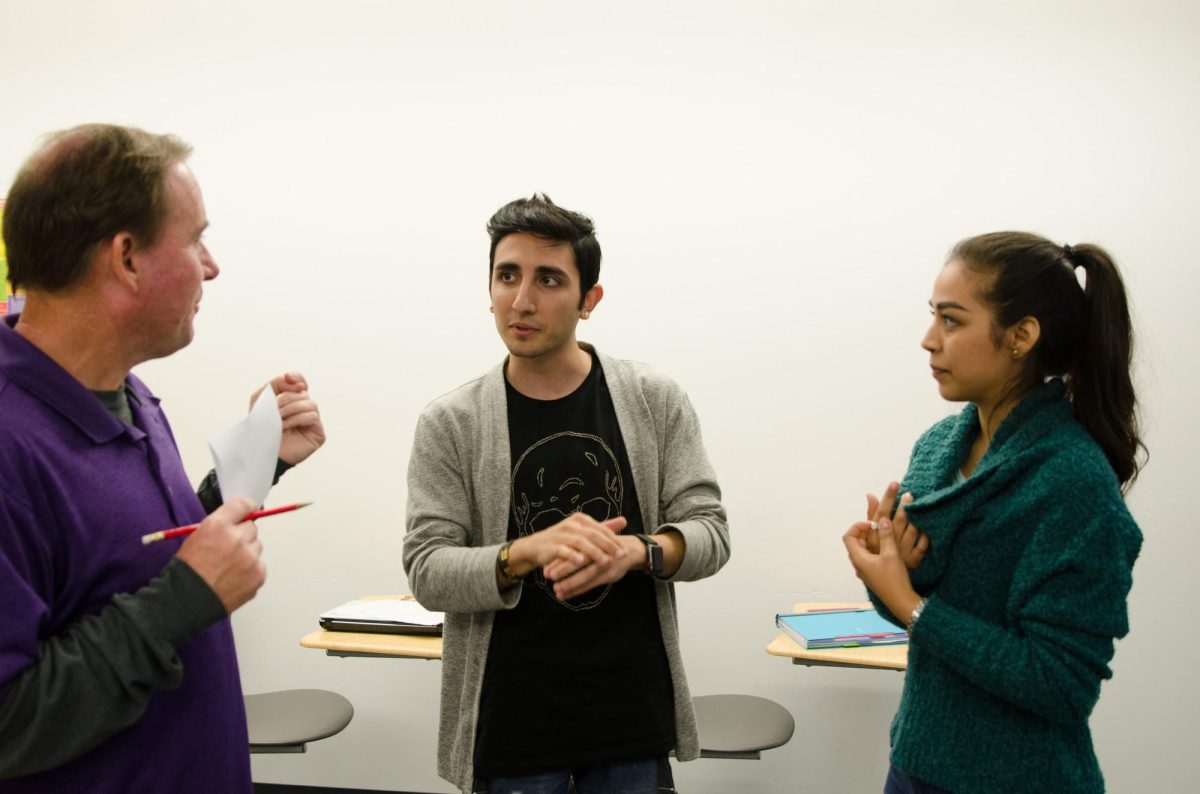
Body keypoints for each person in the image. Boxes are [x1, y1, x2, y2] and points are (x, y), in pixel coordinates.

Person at [0, 124, 326, 792]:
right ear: (126, 258)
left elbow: (136, 558)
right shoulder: (9, 443)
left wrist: (256, 461)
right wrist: (183, 601)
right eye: (196, 238)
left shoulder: (126, 393)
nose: (211, 265)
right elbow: (10, 722)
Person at [403, 194, 730, 794]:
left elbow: (710, 531)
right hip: (512, 730)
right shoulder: (452, 422)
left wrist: (639, 552)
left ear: (589, 300)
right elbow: (427, 570)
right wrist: (521, 553)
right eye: (508, 276)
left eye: (548, 279)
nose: (522, 300)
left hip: (631, 721)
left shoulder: (653, 400)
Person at [843, 232, 1144, 794]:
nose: (929, 341)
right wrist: (885, 578)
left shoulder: (1073, 482)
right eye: (933, 317)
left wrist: (909, 601)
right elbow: (918, 617)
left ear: (1022, 336)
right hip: (916, 760)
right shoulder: (937, 449)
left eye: (952, 321)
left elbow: (1059, 683)